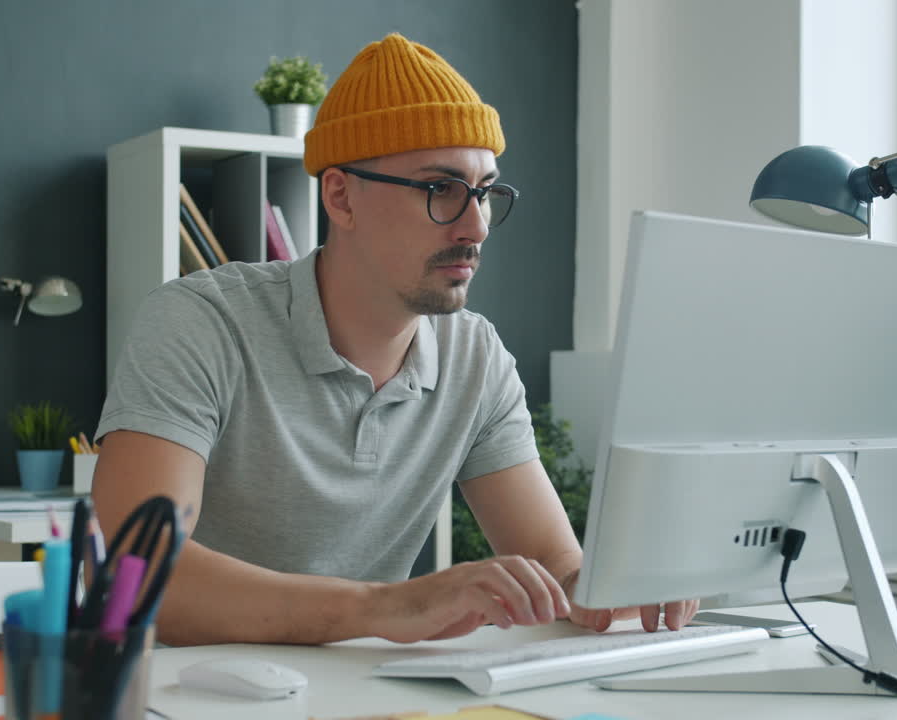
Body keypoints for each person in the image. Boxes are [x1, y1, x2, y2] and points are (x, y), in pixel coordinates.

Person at [92, 32, 698, 646]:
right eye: (440, 189)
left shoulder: (476, 357)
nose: (476, 226)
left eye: (485, 192)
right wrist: (385, 607)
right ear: (340, 196)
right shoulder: (201, 322)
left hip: (366, 688)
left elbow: (556, 566)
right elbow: (135, 575)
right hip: (184, 687)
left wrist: (611, 585)